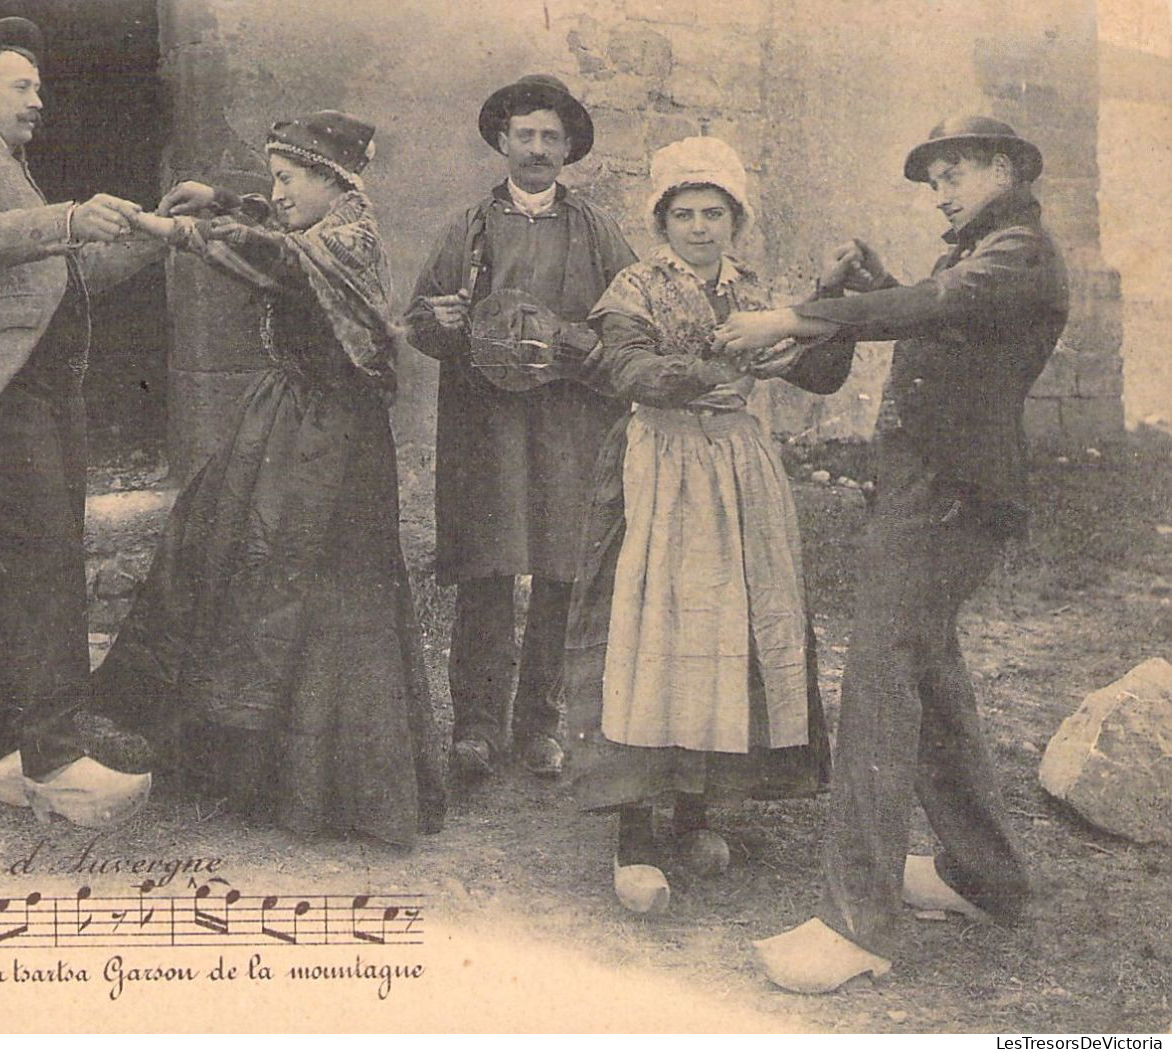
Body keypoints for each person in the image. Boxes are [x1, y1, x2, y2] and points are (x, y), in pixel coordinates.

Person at [717, 117, 1069, 992]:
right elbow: (929, 311)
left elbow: (932, 310)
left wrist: (790, 316)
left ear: (1005, 166)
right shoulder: (985, 252)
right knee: (927, 676)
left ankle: (854, 925)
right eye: (933, 177)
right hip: (930, 496)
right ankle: (982, 875)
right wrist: (869, 279)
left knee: (878, 683)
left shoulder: (1017, 250)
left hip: (948, 503)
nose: (941, 191)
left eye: (954, 173)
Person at [90, 111, 447, 848]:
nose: (277, 192)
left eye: (289, 179)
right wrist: (218, 197)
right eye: (275, 179)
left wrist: (177, 231)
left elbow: (275, 261)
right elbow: (275, 236)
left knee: (309, 588)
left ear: (333, 182)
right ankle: (245, 766)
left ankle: (324, 783)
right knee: (233, 566)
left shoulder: (346, 242)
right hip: (286, 424)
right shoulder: (323, 230)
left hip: (330, 444)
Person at [543, 137, 854, 912]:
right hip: (658, 468)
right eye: (682, 213)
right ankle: (633, 838)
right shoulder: (634, 287)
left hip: (738, 471)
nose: (698, 227)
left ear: (735, 218)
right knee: (650, 636)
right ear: (661, 220)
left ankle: (693, 813)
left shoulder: (756, 291)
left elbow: (816, 373)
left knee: (724, 633)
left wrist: (827, 319)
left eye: (713, 212)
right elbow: (630, 371)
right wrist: (729, 366)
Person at [0, 17, 167, 828]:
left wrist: (158, 229)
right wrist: (66, 217)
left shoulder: (11, 169)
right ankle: (57, 763)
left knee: (31, 564)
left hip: (42, 393)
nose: (37, 100)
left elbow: (71, 274)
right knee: (46, 564)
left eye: (37, 87)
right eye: (21, 85)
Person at [405, 75, 637, 781]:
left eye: (550, 137)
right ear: (502, 141)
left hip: (570, 421)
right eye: (524, 135)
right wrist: (439, 323)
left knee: (562, 569)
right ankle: (475, 727)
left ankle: (541, 723)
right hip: (488, 425)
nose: (536, 149)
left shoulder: (595, 230)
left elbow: (629, 321)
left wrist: (574, 344)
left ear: (568, 149)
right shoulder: (467, 229)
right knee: (488, 565)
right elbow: (420, 319)